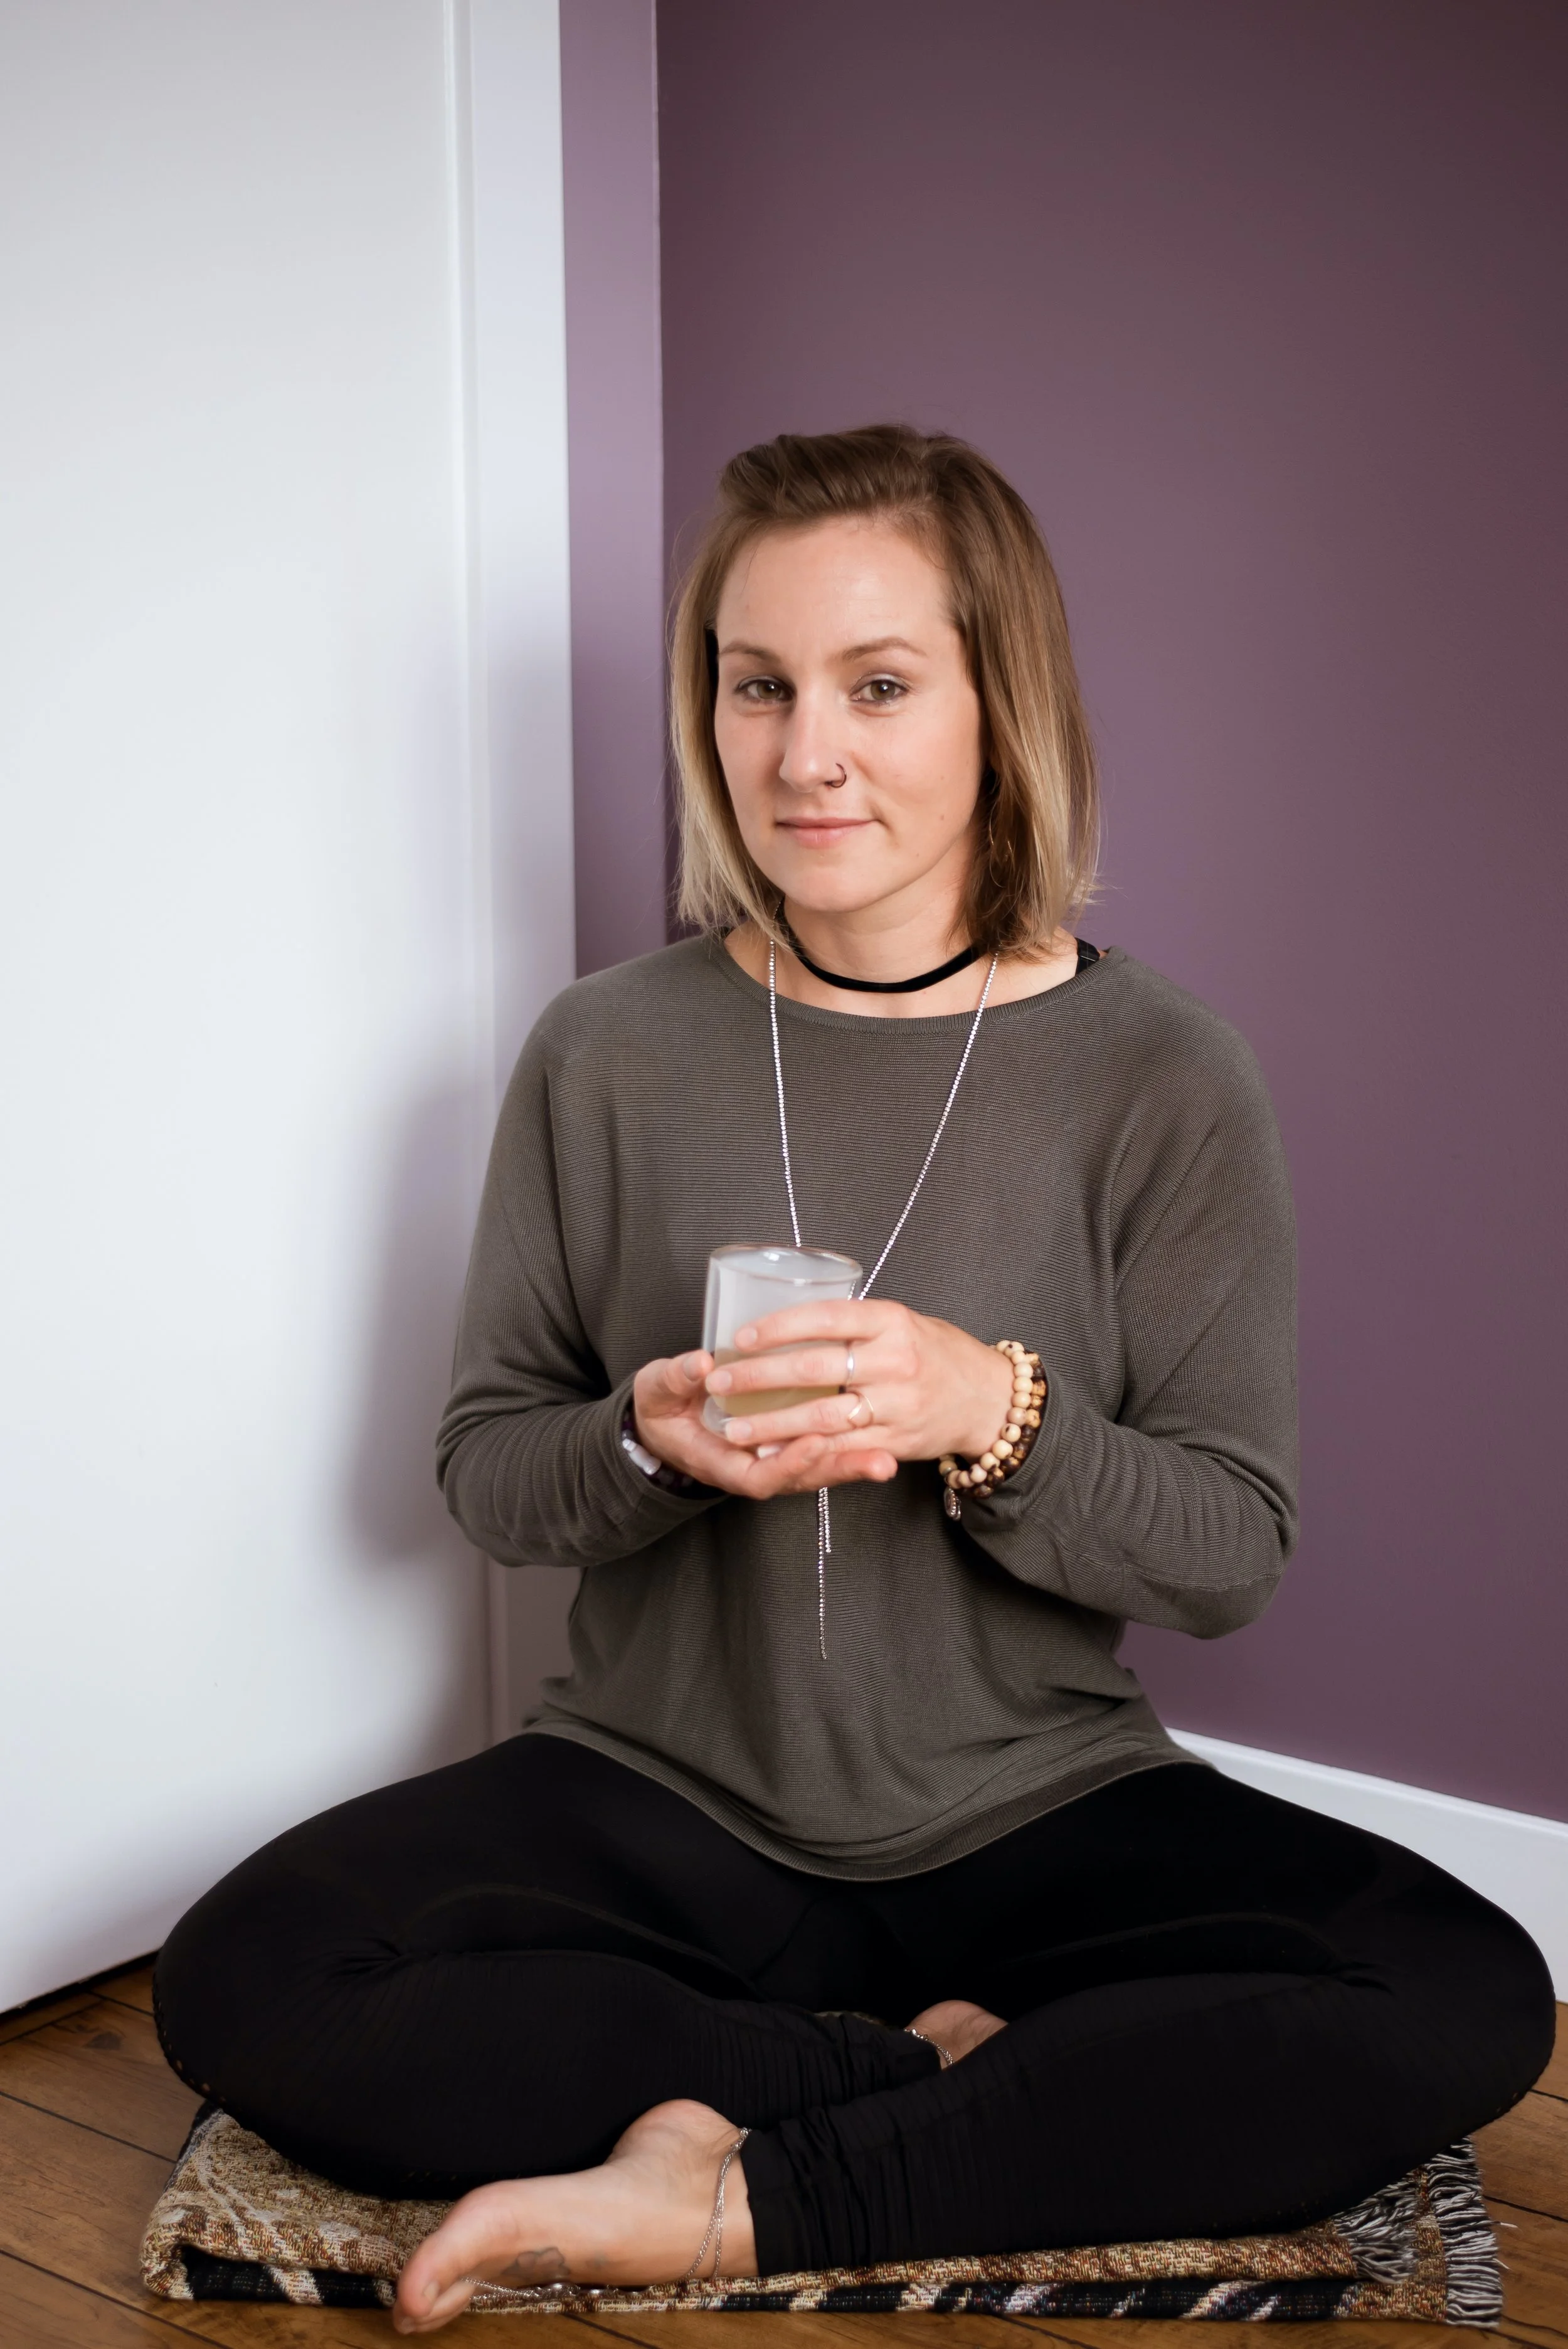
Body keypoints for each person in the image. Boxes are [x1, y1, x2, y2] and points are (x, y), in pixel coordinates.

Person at [155, 425, 1553, 2337]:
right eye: (755, 686)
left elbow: (1230, 1549)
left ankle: (723, 2190)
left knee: (1456, 1992)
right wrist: (640, 1447)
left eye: (877, 685)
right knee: (250, 1976)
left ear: (1001, 704)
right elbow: (488, 1469)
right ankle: (906, 2081)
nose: (803, 754)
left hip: (1032, 1804)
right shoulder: (609, 1052)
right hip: (656, 1795)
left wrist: (997, 1412)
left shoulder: (1163, 1078)